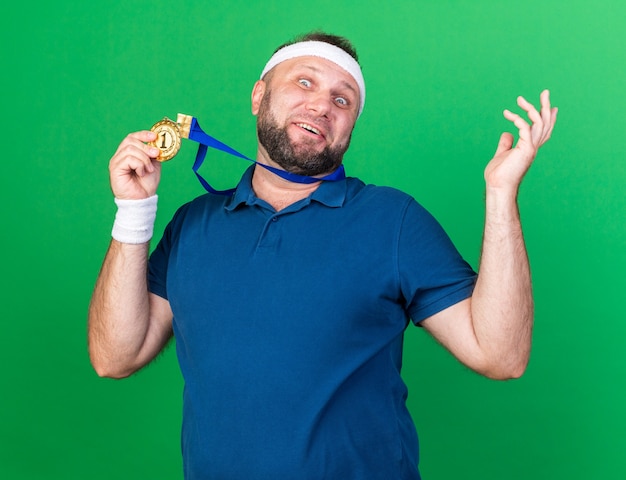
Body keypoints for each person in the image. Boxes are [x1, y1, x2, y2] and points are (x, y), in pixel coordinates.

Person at [88, 31, 557, 479]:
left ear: (352, 125)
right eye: (304, 81)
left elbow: (501, 356)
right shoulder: (193, 224)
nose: (321, 105)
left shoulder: (392, 220)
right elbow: (114, 356)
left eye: (342, 98)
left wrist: (501, 195)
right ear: (258, 96)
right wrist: (135, 212)